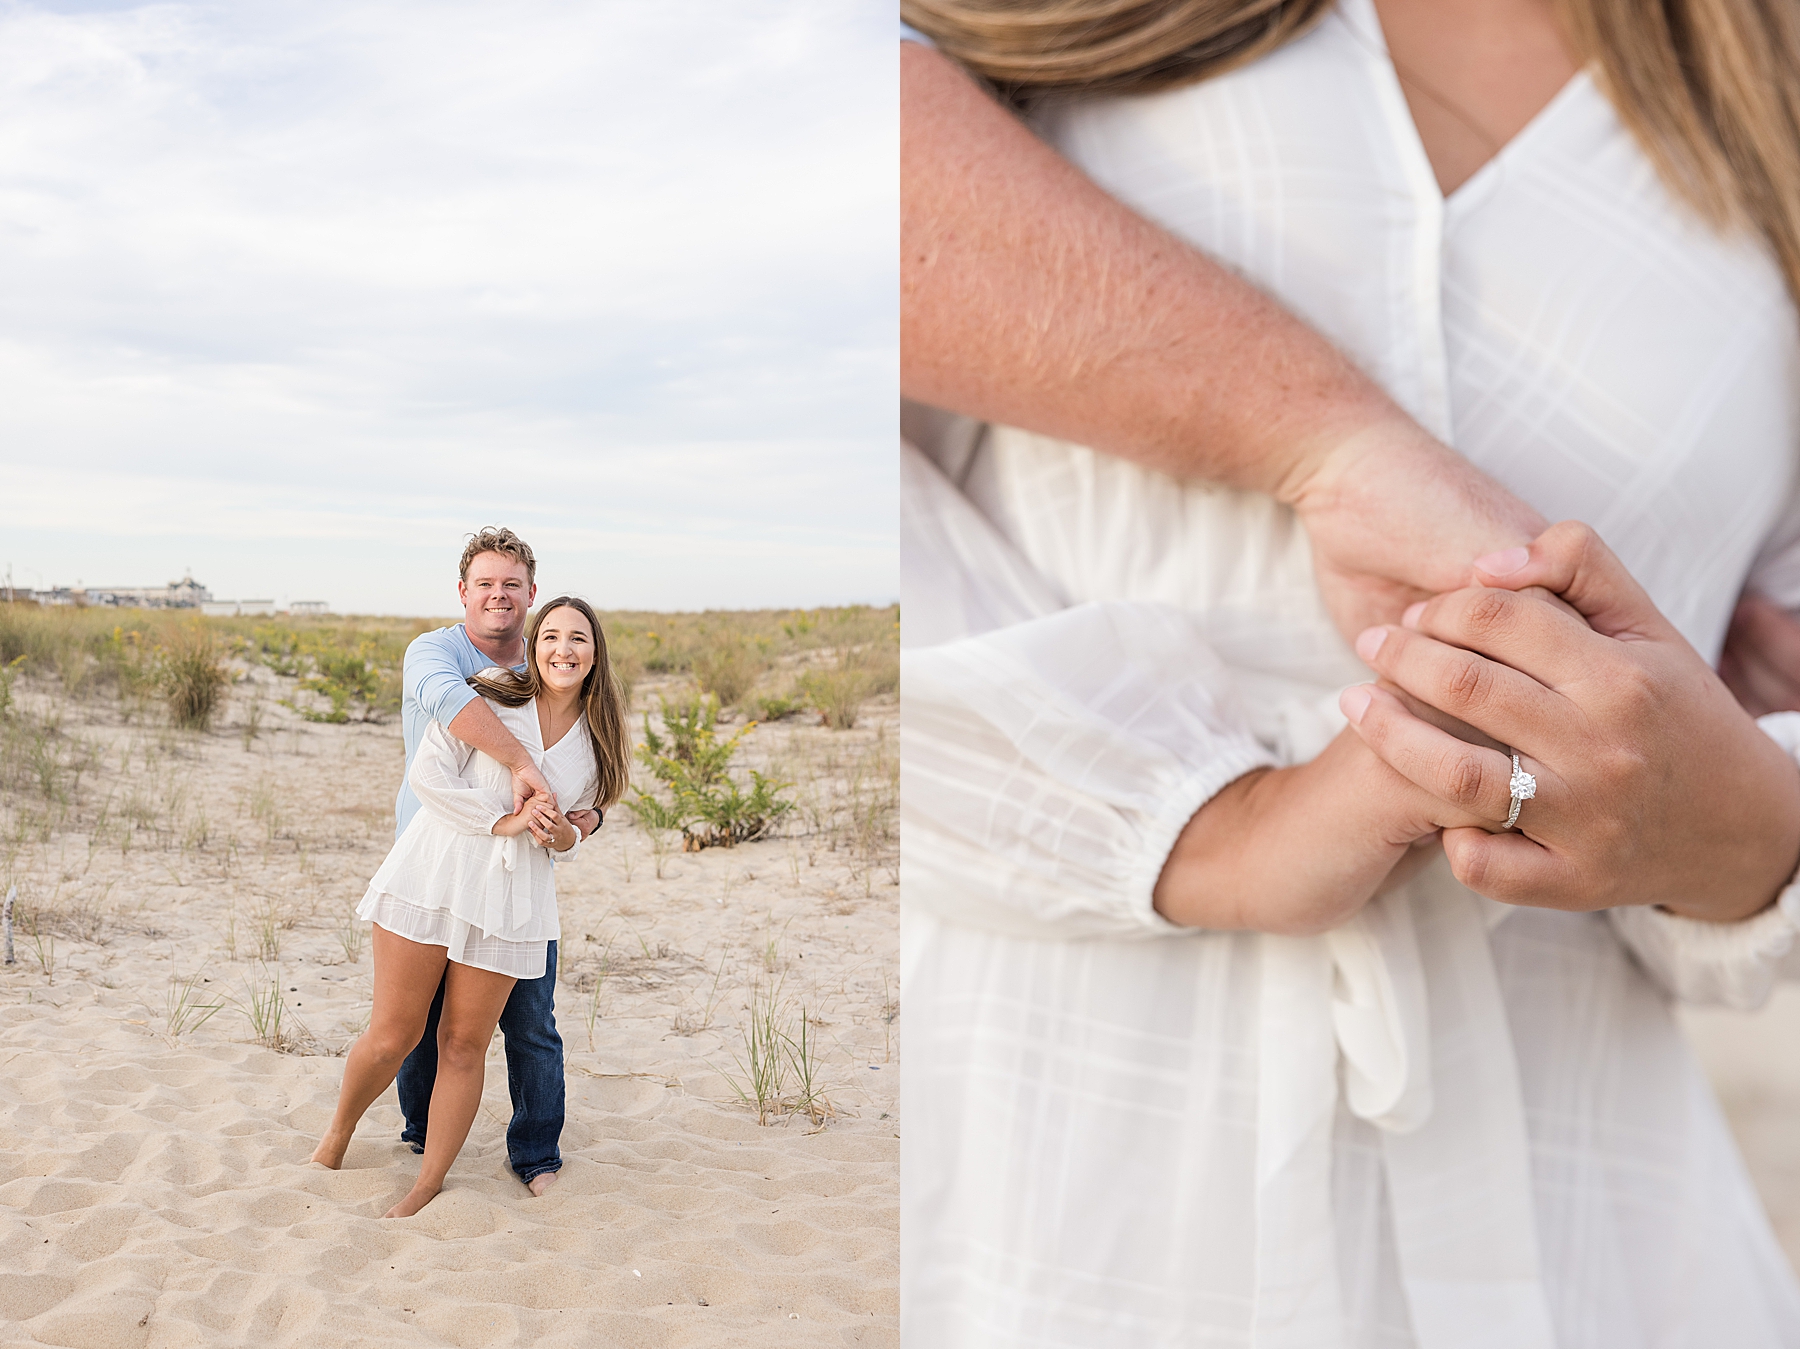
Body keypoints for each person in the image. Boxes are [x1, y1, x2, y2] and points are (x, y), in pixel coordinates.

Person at [901, 1, 1800, 1343]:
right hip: (1057, 1160)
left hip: (1594, 1225)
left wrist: (1746, 829)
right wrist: (1201, 821)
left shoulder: (1764, 81)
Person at [311, 595, 630, 1217]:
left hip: (511, 899)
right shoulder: (492, 693)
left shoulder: (598, 743)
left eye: (579, 640)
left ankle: (427, 1184)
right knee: (395, 1033)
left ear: (596, 655)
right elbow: (428, 777)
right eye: (552, 637)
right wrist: (505, 822)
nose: (563, 650)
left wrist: (557, 833)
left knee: (464, 1043)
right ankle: (339, 1132)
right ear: (532, 646)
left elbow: (572, 834)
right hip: (434, 872)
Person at [388, 528, 598, 1196]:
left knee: (530, 1020)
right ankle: (423, 1130)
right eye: (485, 583)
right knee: (421, 1021)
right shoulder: (438, 651)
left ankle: (536, 1152)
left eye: (512, 584)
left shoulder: (547, 663)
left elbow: (588, 769)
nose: (499, 595)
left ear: (531, 594)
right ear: (463, 591)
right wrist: (522, 763)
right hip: (435, 862)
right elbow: (451, 706)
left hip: (516, 877)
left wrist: (584, 819)